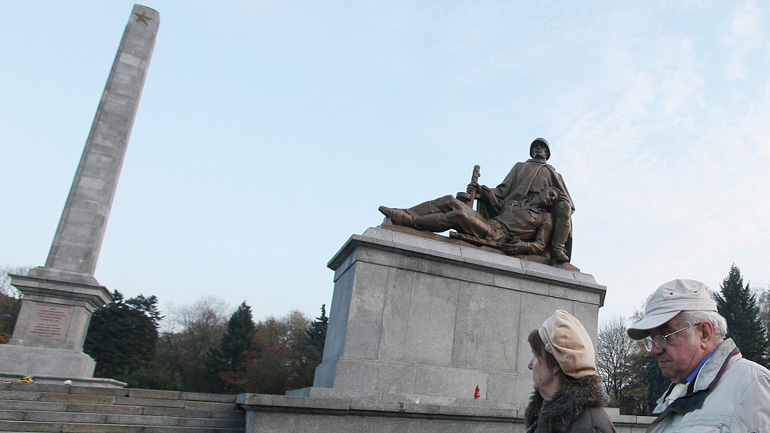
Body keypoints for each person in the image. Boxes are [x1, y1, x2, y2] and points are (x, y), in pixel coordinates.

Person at [627, 279, 770, 432]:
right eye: (653, 339)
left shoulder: (753, 385)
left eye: (665, 335)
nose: (655, 350)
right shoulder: (676, 395)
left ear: (704, 333)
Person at [470, 138, 574, 262]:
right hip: (518, 205)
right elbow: (503, 190)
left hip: (544, 209)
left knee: (565, 207)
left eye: (542, 147)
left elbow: (567, 201)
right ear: (532, 151)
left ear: (547, 152)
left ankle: (558, 248)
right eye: (536, 147)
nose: (539, 148)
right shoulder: (520, 167)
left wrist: (563, 200)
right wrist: (482, 191)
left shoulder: (555, 174)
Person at [379, 186, 559, 256]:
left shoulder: (545, 218)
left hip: (497, 235)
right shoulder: (517, 202)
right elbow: (494, 202)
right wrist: (478, 190)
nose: (551, 199)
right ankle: (404, 212)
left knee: (459, 216)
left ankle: (409, 221)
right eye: (551, 194)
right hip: (488, 222)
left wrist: (522, 246)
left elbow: (539, 245)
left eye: (555, 200)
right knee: (449, 200)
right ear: (542, 191)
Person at [525, 310, 616, 433]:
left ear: (557, 364)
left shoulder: (589, 427)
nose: (530, 365)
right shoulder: (550, 415)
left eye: (536, 356)